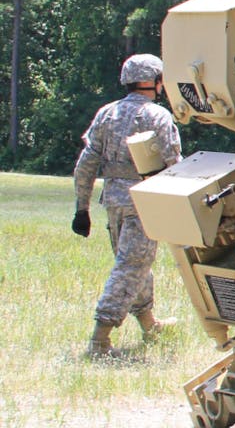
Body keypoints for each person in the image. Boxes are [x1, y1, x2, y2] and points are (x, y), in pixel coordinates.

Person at [71, 53, 182, 357]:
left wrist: (82, 208)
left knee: (136, 266)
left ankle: (150, 325)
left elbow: (86, 164)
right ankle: (100, 340)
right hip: (144, 204)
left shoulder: (106, 113)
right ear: (155, 82)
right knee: (130, 267)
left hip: (115, 204)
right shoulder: (158, 116)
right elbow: (174, 165)